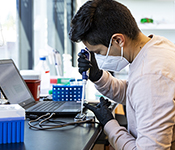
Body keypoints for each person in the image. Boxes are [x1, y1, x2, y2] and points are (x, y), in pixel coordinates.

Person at [69, 0, 175, 149]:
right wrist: (98, 76)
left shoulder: (152, 75)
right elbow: (135, 94)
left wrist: (110, 125)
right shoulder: (155, 47)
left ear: (118, 40)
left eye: (98, 52)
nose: (98, 57)